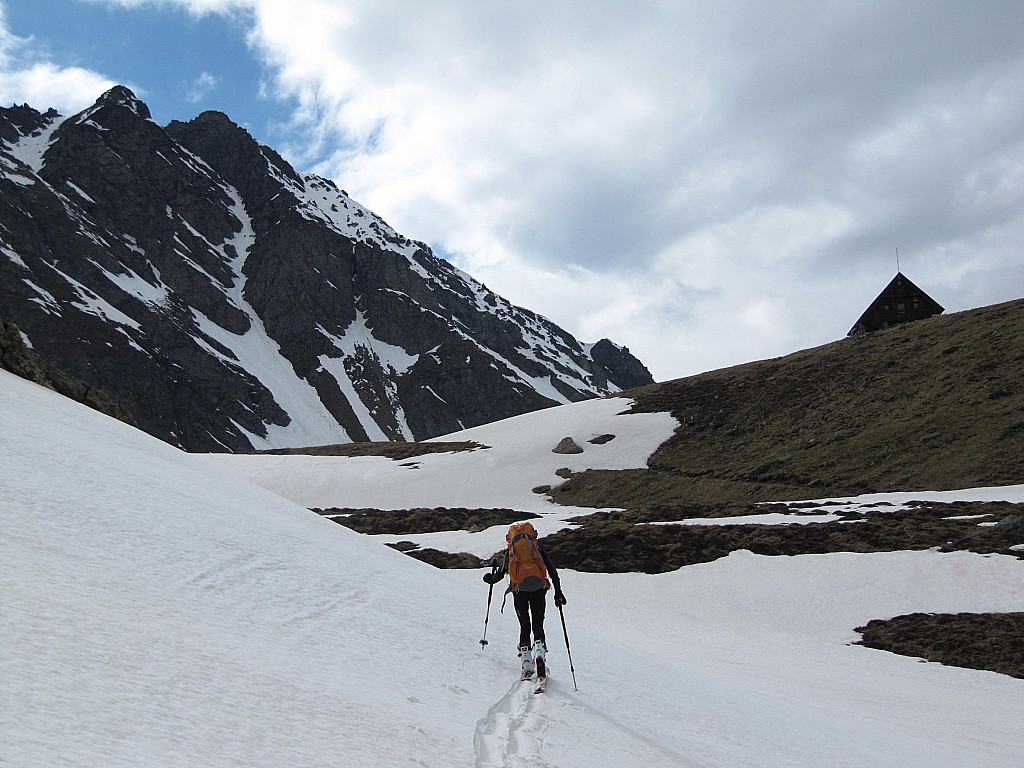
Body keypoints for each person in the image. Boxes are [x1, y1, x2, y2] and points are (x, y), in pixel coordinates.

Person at [483, 521, 566, 680]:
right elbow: (553, 571)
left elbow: (499, 575)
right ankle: (540, 654)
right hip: (538, 590)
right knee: (538, 624)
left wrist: (489, 579)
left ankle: (527, 662)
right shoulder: (537, 549)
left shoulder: (511, 552)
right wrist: (558, 593)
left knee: (525, 626)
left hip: (519, 591)